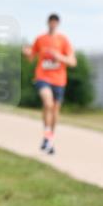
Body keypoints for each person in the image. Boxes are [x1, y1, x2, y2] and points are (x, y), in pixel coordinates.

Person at [23, 14, 76, 155]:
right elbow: (30, 57)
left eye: (55, 22)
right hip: (43, 77)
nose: (52, 24)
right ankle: (47, 135)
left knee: (55, 111)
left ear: (58, 24)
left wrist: (59, 57)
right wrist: (26, 53)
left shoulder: (63, 40)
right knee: (48, 103)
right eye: (51, 22)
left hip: (59, 80)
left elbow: (73, 62)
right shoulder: (40, 39)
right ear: (47, 23)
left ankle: (49, 140)